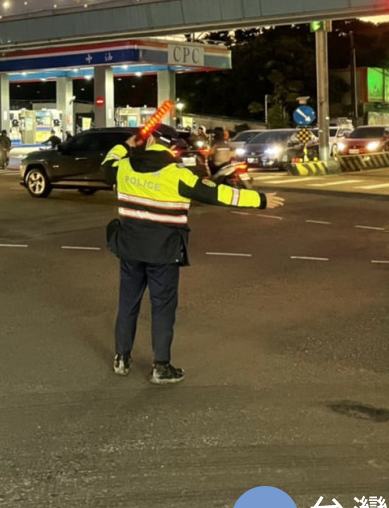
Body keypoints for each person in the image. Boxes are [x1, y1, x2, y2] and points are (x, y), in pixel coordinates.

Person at [102, 126, 284, 385]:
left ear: (150, 140)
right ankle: (161, 367)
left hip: (130, 249)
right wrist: (260, 200)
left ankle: (121, 359)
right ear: (171, 146)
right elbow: (219, 194)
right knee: (162, 308)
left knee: (128, 303)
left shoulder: (125, 167)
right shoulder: (177, 175)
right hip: (163, 253)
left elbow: (107, 162)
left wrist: (126, 144)